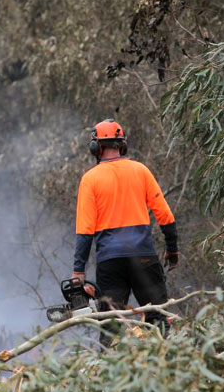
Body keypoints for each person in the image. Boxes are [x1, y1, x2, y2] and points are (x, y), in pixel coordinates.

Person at [70, 119, 178, 347]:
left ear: (96, 147)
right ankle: (166, 360)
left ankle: (109, 365)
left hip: (111, 263)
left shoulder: (90, 179)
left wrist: (78, 270)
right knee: (158, 319)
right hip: (144, 258)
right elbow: (165, 216)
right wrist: (172, 249)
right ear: (122, 145)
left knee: (111, 327)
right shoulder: (141, 171)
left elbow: (85, 231)